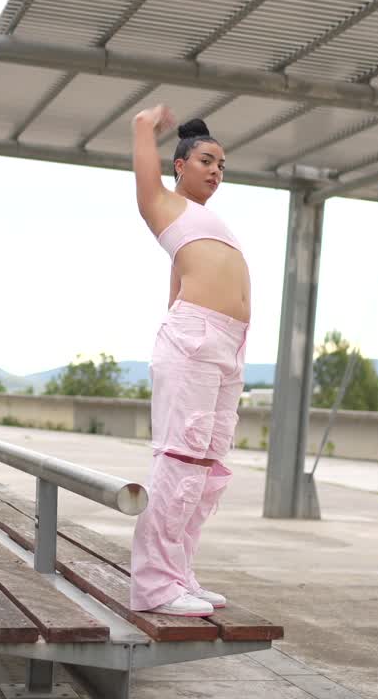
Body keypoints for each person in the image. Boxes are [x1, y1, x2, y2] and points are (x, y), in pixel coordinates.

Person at [128, 106, 250, 618]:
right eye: (206, 160)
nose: (216, 172)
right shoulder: (164, 204)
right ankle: (154, 584)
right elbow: (143, 172)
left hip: (227, 344)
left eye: (222, 165)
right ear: (179, 165)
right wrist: (144, 125)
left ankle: (179, 573)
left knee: (208, 466)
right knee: (180, 458)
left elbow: (176, 287)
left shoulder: (207, 220)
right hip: (197, 340)